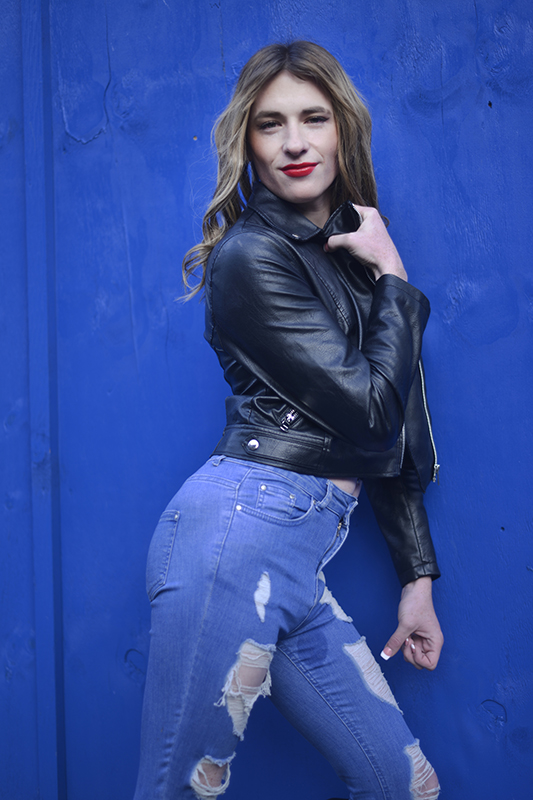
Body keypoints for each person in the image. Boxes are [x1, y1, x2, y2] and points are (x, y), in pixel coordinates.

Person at [133, 41, 443, 800]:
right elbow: (371, 414)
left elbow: (393, 421)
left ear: (343, 129)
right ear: (247, 142)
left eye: (314, 118)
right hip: (234, 545)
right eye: (271, 124)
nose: (295, 142)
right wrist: (395, 276)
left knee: (402, 785)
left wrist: (416, 580)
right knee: (180, 790)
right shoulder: (252, 256)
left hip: (295, 555)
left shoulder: (348, 254)